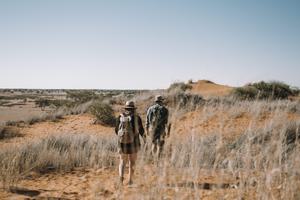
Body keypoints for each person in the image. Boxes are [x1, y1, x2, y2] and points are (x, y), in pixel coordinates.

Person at [115, 101, 145, 185]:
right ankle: (130, 181)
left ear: (126, 108)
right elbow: (141, 130)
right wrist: (145, 139)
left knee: (122, 161)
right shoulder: (137, 118)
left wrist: (123, 137)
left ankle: (120, 179)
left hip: (122, 144)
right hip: (134, 143)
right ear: (134, 109)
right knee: (132, 162)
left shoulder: (120, 117)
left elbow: (116, 130)